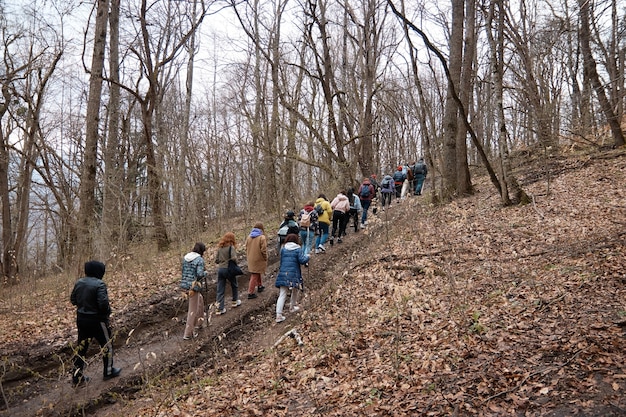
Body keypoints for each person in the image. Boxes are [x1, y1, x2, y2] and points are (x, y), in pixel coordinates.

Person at [70, 260, 121, 386]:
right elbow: (103, 304)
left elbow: (73, 300)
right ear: (99, 271)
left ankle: (77, 377)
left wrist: (83, 306)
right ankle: (108, 372)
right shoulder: (100, 284)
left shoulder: (79, 282)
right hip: (98, 320)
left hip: (81, 319)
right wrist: (107, 313)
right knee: (107, 344)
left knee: (81, 348)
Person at [275, 234, 309, 323]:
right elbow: (302, 260)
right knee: (295, 289)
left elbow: (281, 261)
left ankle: (278, 315)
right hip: (294, 273)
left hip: (283, 272)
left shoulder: (283, 249)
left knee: (282, 294)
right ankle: (292, 306)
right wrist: (308, 257)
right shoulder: (298, 249)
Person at [180, 242, 208, 340]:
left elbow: (183, 271)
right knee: (193, 309)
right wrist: (205, 272)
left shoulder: (185, 258)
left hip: (184, 285)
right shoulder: (199, 260)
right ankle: (188, 333)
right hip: (193, 287)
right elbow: (200, 274)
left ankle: (200, 322)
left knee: (200, 300)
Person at [215, 233, 241, 315]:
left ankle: (219, 308)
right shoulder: (231, 247)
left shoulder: (220, 248)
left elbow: (216, 260)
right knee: (234, 284)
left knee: (220, 289)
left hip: (220, 270)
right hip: (229, 269)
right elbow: (234, 258)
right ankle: (234, 301)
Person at [245, 223, 268, 299]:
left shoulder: (249, 237)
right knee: (255, 274)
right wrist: (265, 257)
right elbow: (263, 250)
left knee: (257, 271)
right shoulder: (262, 237)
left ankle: (260, 285)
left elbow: (246, 248)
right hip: (258, 258)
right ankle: (250, 292)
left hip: (251, 258)